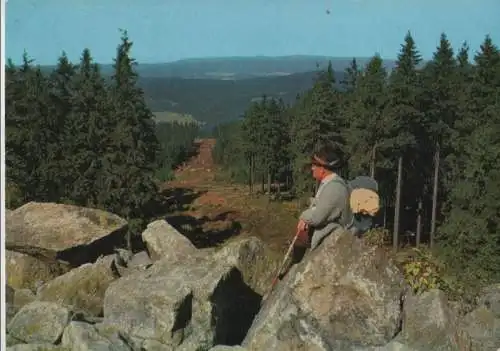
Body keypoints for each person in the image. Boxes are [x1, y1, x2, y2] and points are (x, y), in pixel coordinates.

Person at [287, 143, 353, 270]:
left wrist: (303, 217)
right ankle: (294, 268)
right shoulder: (330, 184)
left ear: (323, 169)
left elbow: (317, 217)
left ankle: (294, 269)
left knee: (300, 241)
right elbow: (321, 206)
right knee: (300, 240)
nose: (312, 168)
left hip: (331, 241)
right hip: (328, 238)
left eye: (314, 165)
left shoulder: (334, 188)